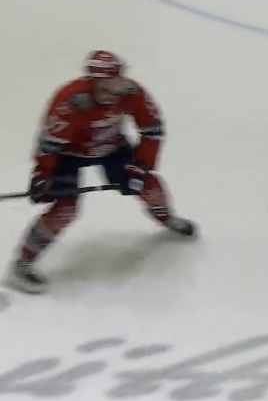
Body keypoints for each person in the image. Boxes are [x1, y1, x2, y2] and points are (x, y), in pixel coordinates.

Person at [5, 50, 198, 295]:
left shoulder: (132, 93)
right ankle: (22, 263)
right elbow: (49, 143)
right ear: (91, 82)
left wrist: (142, 165)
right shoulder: (70, 100)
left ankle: (166, 217)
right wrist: (43, 174)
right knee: (65, 208)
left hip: (112, 147)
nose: (112, 93)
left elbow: (152, 129)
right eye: (104, 87)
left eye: (116, 83)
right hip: (69, 154)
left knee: (148, 184)